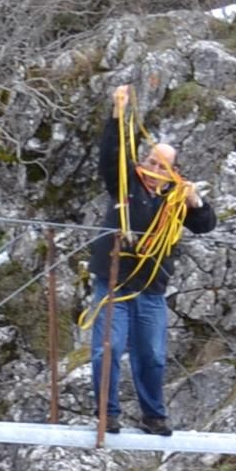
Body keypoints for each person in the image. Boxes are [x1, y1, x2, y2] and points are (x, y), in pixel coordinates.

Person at [90, 81, 216, 437]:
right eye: (149, 161)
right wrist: (118, 114)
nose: (153, 168)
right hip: (114, 280)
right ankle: (106, 413)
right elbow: (111, 153)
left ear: (173, 170)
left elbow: (205, 225)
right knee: (108, 349)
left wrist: (197, 203)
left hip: (150, 287)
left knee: (153, 355)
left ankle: (153, 415)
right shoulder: (124, 182)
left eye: (161, 165)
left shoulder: (175, 198)